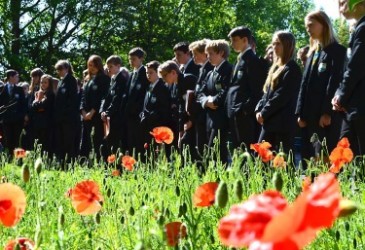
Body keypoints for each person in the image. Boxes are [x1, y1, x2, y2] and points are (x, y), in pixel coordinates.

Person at [296, 10, 347, 162]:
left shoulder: (337, 51)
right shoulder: (313, 53)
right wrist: (299, 112)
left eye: (311, 25)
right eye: (306, 26)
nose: (308, 29)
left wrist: (327, 113)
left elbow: (335, 82)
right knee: (308, 160)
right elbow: (304, 84)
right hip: (308, 116)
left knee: (324, 158)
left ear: (324, 25)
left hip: (324, 117)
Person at [255, 31, 302, 153]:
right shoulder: (276, 68)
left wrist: (264, 112)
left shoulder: (292, 69)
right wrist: (258, 109)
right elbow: (266, 93)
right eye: (273, 43)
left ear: (287, 45)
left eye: (278, 44)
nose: (274, 47)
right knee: (261, 157)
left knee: (282, 161)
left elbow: (281, 96)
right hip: (270, 121)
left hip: (282, 124)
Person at [332, 0, 365, 156]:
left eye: (344, 2)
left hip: (360, 106)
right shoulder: (358, 28)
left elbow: (356, 67)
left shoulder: (363, 29)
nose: (340, 8)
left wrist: (341, 96)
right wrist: (339, 93)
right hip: (352, 106)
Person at [226, 26, 267, 149]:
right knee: (238, 150)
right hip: (235, 113)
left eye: (235, 40)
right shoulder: (239, 60)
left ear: (245, 40)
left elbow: (257, 90)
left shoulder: (252, 60)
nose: (232, 43)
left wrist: (244, 110)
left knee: (245, 151)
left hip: (244, 116)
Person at [198, 40, 233, 163]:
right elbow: (200, 93)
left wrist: (214, 101)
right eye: (207, 54)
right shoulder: (209, 73)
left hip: (221, 118)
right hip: (209, 118)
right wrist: (206, 101)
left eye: (211, 54)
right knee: (210, 152)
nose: (208, 57)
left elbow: (226, 91)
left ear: (221, 53)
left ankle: (219, 180)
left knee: (217, 152)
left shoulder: (229, 70)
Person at [158, 60, 197, 154]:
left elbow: (195, 102)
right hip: (184, 122)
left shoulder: (188, 79)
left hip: (194, 120)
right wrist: (181, 130)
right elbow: (180, 108)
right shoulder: (174, 85)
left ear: (173, 72)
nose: (163, 79)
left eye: (164, 75)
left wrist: (191, 120)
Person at [80, 55, 110, 158]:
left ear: (98, 65)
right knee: (85, 142)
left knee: (97, 141)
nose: (91, 68)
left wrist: (92, 112)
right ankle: (85, 163)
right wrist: (83, 111)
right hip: (86, 116)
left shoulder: (104, 79)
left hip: (96, 116)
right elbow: (83, 97)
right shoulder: (87, 79)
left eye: (93, 65)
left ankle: (99, 162)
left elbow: (102, 97)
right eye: (89, 65)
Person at [189, 39, 214, 158]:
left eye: (195, 54)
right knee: (200, 148)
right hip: (199, 114)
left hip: (206, 115)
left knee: (206, 149)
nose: (193, 57)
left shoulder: (210, 68)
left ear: (204, 54)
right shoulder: (202, 68)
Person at [100, 55, 129, 156]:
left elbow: (117, 99)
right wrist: (103, 111)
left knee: (116, 144)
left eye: (111, 66)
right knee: (109, 142)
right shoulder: (113, 79)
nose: (109, 69)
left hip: (117, 117)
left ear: (118, 66)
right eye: (107, 67)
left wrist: (107, 112)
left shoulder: (121, 80)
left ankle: (118, 168)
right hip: (110, 116)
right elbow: (108, 97)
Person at [123, 47, 149, 156]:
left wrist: (137, 110)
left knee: (139, 143)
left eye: (133, 59)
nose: (131, 61)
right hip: (129, 115)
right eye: (130, 59)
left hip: (138, 114)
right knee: (131, 142)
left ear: (141, 58)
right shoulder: (131, 74)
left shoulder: (145, 73)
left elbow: (144, 94)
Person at [53, 60, 79, 164]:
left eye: (61, 69)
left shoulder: (71, 80)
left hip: (68, 118)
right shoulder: (61, 81)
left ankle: (70, 163)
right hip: (61, 118)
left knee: (69, 142)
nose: (59, 71)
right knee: (62, 142)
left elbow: (72, 100)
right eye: (57, 69)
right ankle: (63, 162)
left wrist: (64, 113)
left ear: (67, 69)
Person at [140, 61, 170, 145]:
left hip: (158, 125)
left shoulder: (162, 87)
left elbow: (163, 108)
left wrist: (150, 115)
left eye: (151, 73)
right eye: (147, 73)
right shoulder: (149, 86)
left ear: (158, 73)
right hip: (148, 125)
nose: (148, 75)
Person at [0, 70, 26, 155]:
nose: (18, 78)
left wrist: (22, 116)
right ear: (11, 77)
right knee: (8, 140)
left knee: (18, 140)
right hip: (6, 120)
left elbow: (23, 104)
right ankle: (10, 159)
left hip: (18, 120)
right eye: (16, 76)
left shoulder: (19, 89)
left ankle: (19, 159)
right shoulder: (2, 89)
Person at [31, 74, 55, 153]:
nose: (43, 84)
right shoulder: (37, 93)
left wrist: (37, 102)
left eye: (45, 82)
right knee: (37, 143)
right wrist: (38, 103)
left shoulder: (51, 94)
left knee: (45, 144)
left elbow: (43, 106)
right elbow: (33, 107)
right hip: (37, 123)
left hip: (46, 124)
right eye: (41, 82)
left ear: (49, 84)